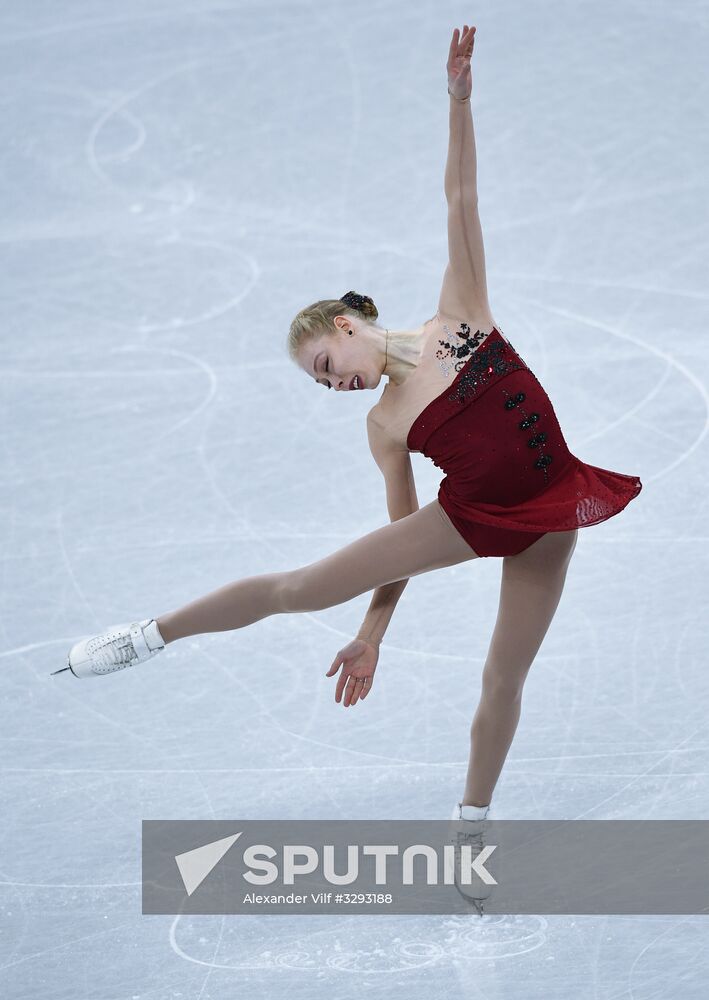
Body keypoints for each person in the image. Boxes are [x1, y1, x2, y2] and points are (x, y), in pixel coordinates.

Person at [54, 26, 641, 904]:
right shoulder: (383, 426)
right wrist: (370, 635)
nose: (332, 386)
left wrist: (458, 99)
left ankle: (468, 831)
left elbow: (460, 198)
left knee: (502, 675)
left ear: (346, 327)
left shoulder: (460, 315)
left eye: (326, 368)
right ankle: (149, 635)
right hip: (470, 517)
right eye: (322, 385)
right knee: (300, 589)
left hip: (556, 508)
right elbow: (401, 534)